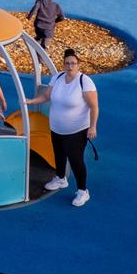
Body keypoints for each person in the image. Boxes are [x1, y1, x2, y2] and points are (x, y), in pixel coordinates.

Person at [35, 48, 98, 208]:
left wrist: (93, 127)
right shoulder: (57, 78)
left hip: (77, 130)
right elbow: (46, 96)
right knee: (59, 154)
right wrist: (31, 101)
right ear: (63, 64)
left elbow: (94, 106)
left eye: (73, 63)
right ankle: (60, 178)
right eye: (67, 63)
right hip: (56, 127)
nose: (70, 66)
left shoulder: (85, 81)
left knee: (76, 160)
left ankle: (83, 191)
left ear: (78, 65)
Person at [26, 0, 63, 64]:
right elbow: (62, 17)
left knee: (37, 41)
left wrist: (28, 17)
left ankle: (36, 59)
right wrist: (54, 21)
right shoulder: (56, 6)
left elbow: (33, 10)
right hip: (49, 30)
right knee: (44, 47)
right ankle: (40, 63)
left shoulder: (39, 2)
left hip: (39, 28)